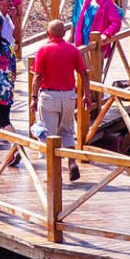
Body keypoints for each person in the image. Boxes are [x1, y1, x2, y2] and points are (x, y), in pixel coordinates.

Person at [30, 19, 87, 180]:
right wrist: (86, 95)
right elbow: (84, 73)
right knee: (67, 131)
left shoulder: (43, 50)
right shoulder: (73, 50)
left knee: (50, 134)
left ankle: (54, 172)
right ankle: (72, 162)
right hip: (69, 95)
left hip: (49, 95)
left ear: (48, 33)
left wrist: (33, 97)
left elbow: (38, 76)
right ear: (64, 33)